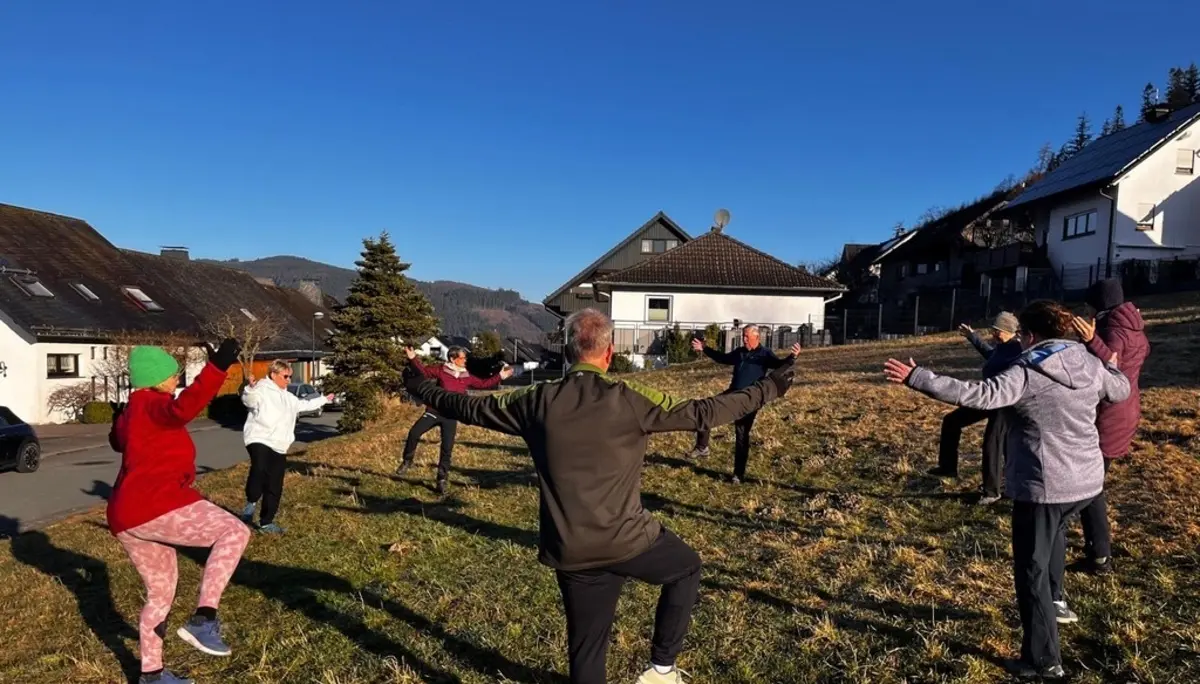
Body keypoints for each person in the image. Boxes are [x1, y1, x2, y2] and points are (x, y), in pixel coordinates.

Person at [402, 308, 795, 684]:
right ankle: (661, 670)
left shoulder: (533, 401)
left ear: (569, 352)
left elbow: (465, 406)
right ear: (608, 353)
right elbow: (704, 412)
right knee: (686, 568)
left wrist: (420, 385)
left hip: (571, 549)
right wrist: (770, 388)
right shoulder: (629, 397)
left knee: (587, 652)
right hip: (631, 540)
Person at [884, 300, 1129, 681]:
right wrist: (1109, 361)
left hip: (1045, 487)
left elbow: (980, 395)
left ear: (1027, 335)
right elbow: (1120, 390)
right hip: (1086, 484)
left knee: (1030, 573)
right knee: (1054, 540)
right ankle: (1058, 601)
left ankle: (1043, 661)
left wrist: (919, 377)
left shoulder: (1028, 371)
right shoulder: (1090, 363)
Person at [107, 339, 252, 684]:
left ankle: (151, 674)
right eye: (172, 375)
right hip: (156, 502)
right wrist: (216, 367)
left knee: (160, 593)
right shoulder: (153, 404)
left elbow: (118, 439)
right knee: (235, 532)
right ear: (156, 380)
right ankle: (204, 619)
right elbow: (184, 409)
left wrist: (118, 421)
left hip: (126, 516)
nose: (176, 380)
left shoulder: (133, 412)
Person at [1071, 278, 1149, 574]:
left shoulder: (1113, 331)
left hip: (1109, 416)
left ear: (1100, 305)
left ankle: (1098, 555)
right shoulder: (1133, 326)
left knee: (1089, 486)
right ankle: (1096, 551)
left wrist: (1092, 341)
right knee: (1092, 484)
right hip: (1125, 412)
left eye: (1091, 304)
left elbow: (1111, 366)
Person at [684, 324, 801, 483]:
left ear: (757, 337)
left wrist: (792, 357)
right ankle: (702, 447)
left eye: (747, 337)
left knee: (741, 435)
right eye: (743, 336)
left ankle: (738, 474)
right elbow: (722, 358)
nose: (744, 339)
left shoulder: (764, 354)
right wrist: (705, 348)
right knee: (707, 409)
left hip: (749, 400)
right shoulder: (740, 352)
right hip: (732, 393)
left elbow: (780, 365)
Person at [930, 312, 1023, 505]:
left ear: (1008, 331)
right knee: (951, 421)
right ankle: (948, 467)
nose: (994, 334)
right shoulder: (1003, 347)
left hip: (1005, 404)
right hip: (988, 397)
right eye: (993, 331)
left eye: (997, 331)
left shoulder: (1018, 350)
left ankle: (992, 491)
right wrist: (973, 337)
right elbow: (991, 356)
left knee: (992, 443)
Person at [397, 345, 514, 494]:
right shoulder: (441, 370)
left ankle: (441, 479)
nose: (465, 360)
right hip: (434, 411)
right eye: (462, 358)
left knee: (447, 449)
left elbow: (483, 384)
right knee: (414, 433)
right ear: (452, 359)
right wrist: (413, 358)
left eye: (465, 358)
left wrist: (501, 376)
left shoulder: (467, 376)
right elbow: (423, 371)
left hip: (451, 416)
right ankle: (407, 461)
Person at [239, 360, 334, 534]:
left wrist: (323, 400)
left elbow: (304, 405)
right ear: (274, 375)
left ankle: (266, 522)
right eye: (285, 376)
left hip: (280, 444)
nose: (288, 380)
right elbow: (249, 401)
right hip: (259, 437)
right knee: (259, 468)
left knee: (275, 483)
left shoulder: (289, 397)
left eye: (290, 377)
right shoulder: (261, 389)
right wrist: (250, 388)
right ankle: (251, 503)